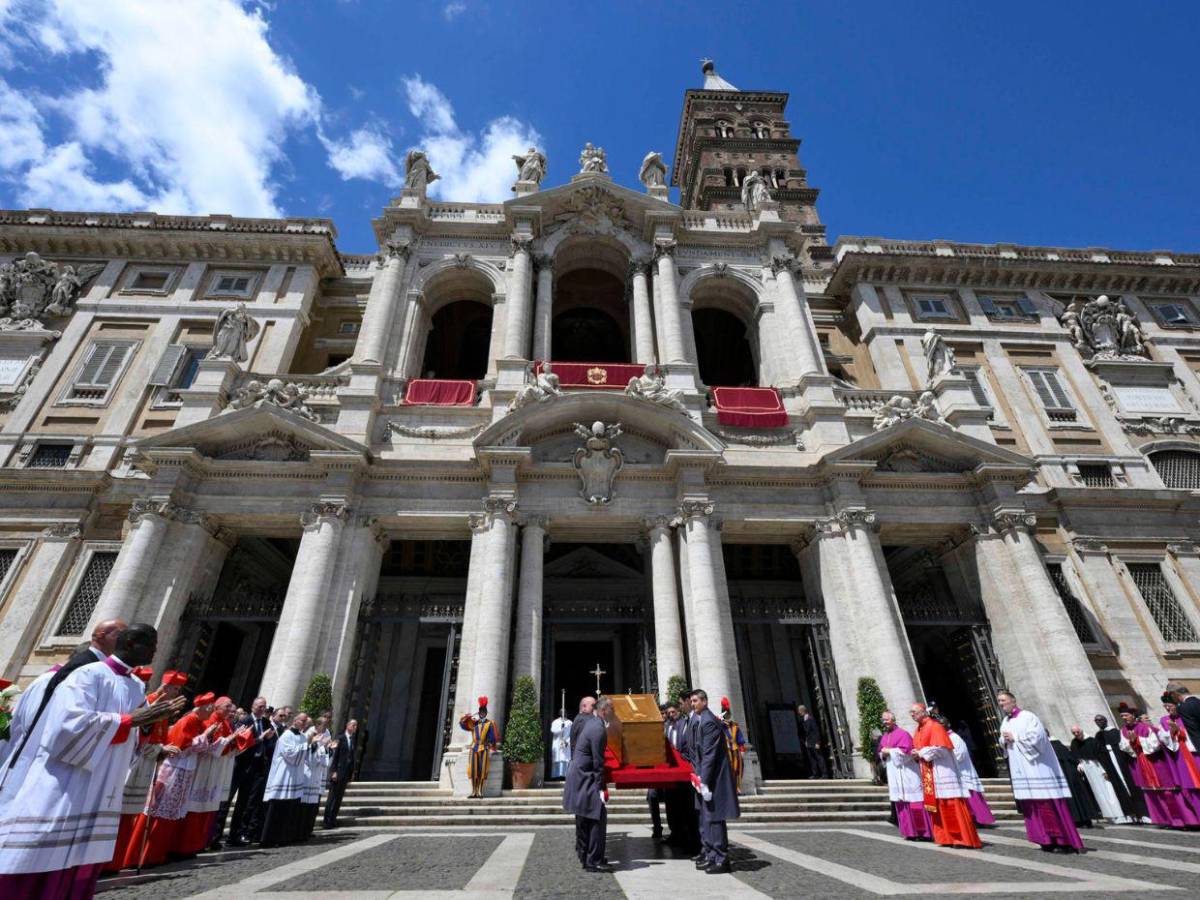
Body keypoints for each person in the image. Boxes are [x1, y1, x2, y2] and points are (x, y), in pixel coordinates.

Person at [0, 624, 184, 899]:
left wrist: (146, 734)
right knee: (42, 852)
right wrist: (131, 720)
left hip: (104, 784)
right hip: (68, 781)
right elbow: (65, 728)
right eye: (152, 645)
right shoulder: (87, 675)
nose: (156, 651)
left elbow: (131, 738)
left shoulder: (135, 685)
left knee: (83, 859)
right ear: (132, 643)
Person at [107, 669, 188, 872]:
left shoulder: (163, 706)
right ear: (166, 687)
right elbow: (140, 738)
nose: (177, 693)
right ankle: (110, 861)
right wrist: (161, 749)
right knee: (122, 812)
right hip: (134, 765)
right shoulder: (150, 705)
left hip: (147, 764)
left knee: (130, 813)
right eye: (175, 689)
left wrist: (161, 750)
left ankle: (119, 860)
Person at [126, 691, 219, 867]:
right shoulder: (188, 720)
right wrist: (205, 734)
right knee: (159, 811)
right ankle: (146, 856)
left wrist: (206, 735)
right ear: (202, 707)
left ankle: (158, 854)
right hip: (174, 770)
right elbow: (181, 746)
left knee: (171, 814)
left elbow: (197, 747)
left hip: (185, 770)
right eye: (210, 708)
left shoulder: (198, 721)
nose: (211, 712)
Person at [994, 691, 1083, 852]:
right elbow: (1003, 741)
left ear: (1013, 701)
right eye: (999, 701)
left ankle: (1062, 840)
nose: (1001, 704)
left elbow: (1039, 738)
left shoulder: (1028, 717)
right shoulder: (1005, 721)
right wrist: (1004, 740)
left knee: (1047, 804)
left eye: (1003, 700)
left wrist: (1015, 738)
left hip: (1037, 770)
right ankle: (1044, 839)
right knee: (1032, 806)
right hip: (1022, 771)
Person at [910, 702, 982, 849]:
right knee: (938, 806)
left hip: (943, 772)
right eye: (910, 712)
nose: (911, 714)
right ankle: (946, 837)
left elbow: (942, 748)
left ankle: (961, 838)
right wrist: (916, 754)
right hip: (930, 772)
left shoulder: (934, 726)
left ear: (923, 712)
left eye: (914, 712)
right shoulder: (918, 729)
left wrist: (921, 753)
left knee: (951, 805)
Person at [1118, 702, 1198, 828]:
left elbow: (1155, 745)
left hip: (1155, 762)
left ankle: (1183, 820)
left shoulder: (1144, 728)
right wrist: (1132, 743)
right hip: (1141, 762)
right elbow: (1124, 746)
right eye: (1122, 716)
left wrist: (1137, 741)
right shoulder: (1123, 731)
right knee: (1153, 794)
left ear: (1133, 715)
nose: (1124, 718)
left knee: (1168, 791)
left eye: (1126, 715)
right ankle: (1165, 820)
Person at [691, 690, 740, 874]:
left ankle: (721, 858)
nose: (693, 703)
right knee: (707, 817)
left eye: (696, 700)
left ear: (704, 701)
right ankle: (712, 855)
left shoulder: (709, 721)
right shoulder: (702, 719)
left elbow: (709, 754)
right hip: (706, 776)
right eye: (692, 701)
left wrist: (704, 779)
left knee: (714, 816)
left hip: (714, 778)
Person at [562, 695, 609, 872]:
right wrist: (601, 787)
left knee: (585, 817)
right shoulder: (595, 725)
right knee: (596, 816)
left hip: (580, 773)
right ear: (603, 710)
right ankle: (592, 860)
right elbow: (597, 760)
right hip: (585, 776)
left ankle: (586, 855)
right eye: (611, 710)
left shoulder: (588, 722)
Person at [226, 697, 277, 846]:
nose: (262, 709)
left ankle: (237, 835)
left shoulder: (266, 723)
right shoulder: (244, 721)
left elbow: (270, 744)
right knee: (227, 801)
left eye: (264, 707)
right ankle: (216, 837)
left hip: (257, 767)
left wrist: (267, 740)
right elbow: (241, 743)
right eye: (260, 706)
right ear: (253, 706)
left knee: (246, 803)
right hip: (241, 765)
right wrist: (260, 738)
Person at [260, 712, 313, 848]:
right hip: (284, 775)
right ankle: (268, 839)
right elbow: (290, 754)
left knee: (289, 808)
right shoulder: (286, 735)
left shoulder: (302, 737)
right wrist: (307, 746)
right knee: (277, 807)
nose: (304, 723)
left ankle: (284, 837)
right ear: (295, 721)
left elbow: (303, 755)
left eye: (305, 721)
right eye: (302, 720)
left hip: (295, 776)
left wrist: (308, 746)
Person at [877, 710, 932, 840]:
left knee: (915, 804)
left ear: (893, 719)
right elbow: (881, 752)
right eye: (883, 720)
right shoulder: (885, 736)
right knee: (901, 805)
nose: (884, 723)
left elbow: (908, 754)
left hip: (907, 774)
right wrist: (883, 754)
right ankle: (909, 832)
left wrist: (890, 751)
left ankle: (923, 832)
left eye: (887, 720)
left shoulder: (903, 734)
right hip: (894, 775)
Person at [1070, 725, 1132, 823]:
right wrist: (1079, 764)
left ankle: (1118, 815)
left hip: (1098, 767)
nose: (1076, 734)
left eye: (1077, 732)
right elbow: (1075, 756)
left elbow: (1102, 757)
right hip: (1088, 771)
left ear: (1081, 730)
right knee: (1098, 792)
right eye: (1074, 733)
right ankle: (1108, 816)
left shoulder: (1092, 741)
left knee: (1108, 790)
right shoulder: (1074, 743)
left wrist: (1105, 770)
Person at [1093, 713, 1149, 822]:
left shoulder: (1115, 731)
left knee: (1131, 784)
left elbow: (1123, 746)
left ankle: (1142, 813)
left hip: (1121, 761)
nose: (1098, 722)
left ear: (1105, 720)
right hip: (1110, 764)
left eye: (1100, 720)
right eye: (1096, 721)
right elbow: (1098, 752)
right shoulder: (1098, 736)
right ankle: (1129, 814)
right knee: (1118, 787)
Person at [943, 718, 994, 826]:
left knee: (972, 796)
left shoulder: (954, 738)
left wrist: (946, 759)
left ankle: (981, 819)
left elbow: (960, 755)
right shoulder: (946, 738)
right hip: (957, 773)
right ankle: (972, 819)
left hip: (964, 772)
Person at [1158, 693, 1200, 819]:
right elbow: (1163, 738)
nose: (1167, 709)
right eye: (1165, 706)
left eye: (1169, 705)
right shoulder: (1164, 720)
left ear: (1177, 704)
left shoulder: (1185, 715)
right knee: (1191, 789)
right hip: (1181, 757)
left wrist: (1180, 731)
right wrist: (1171, 731)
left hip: (1195, 754)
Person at [1049, 735, 1100, 829]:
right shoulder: (1062, 747)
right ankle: (1087, 819)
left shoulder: (1050, 748)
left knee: (1072, 800)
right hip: (1074, 777)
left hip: (1064, 778)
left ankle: (1077, 820)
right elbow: (1073, 758)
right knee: (1081, 797)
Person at [459, 696, 499, 799]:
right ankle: (473, 791)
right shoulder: (474, 723)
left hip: (484, 748)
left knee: (482, 770)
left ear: (486, 712)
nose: (482, 713)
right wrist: (470, 716)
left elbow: (493, 737)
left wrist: (489, 743)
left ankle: (480, 791)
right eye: (480, 711)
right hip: (474, 748)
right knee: (473, 770)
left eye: (484, 711)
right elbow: (463, 724)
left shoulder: (490, 724)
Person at [300, 715, 333, 839]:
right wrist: (322, 746)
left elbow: (324, 755)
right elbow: (309, 752)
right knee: (305, 804)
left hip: (318, 773)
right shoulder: (310, 734)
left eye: (327, 724)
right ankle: (301, 829)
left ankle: (308, 828)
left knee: (315, 804)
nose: (325, 727)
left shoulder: (327, 733)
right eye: (323, 724)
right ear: (317, 725)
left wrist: (328, 749)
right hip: (309, 773)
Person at [324, 719, 358, 828]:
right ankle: (327, 820)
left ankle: (333, 819)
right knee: (332, 797)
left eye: (356, 726)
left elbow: (351, 757)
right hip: (337, 772)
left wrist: (352, 771)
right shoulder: (340, 738)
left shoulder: (352, 739)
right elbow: (335, 756)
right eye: (353, 725)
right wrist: (333, 771)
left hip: (345, 773)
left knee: (339, 797)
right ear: (347, 725)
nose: (355, 727)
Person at [720, 697, 747, 794]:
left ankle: (736, 788)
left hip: (735, 751)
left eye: (728, 713)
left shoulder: (735, 726)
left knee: (737, 770)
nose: (727, 715)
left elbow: (740, 740)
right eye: (725, 713)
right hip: (725, 752)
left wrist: (742, 750)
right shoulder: (720, 725)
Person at [1167, 682, 1200, 753]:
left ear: (1174, 694)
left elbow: (1193, 730)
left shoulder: (1182, 707)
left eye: (1171, 696)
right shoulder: (1198, 701)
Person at [796, 704, 827, 778]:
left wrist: (817, 742)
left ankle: (824, 774)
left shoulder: (810, 719)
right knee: (812, 759)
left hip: (814, 742)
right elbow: (805, 732)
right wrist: (805, 741)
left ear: (802, 711)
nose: (798, 713)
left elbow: (816, 731)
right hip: (808, 742)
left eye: (799, 711)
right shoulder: (803, 720)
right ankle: (815, 774)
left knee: (819, 758)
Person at [549, 706, 572, 780]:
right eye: (562, 712)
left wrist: (567, 742)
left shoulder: (569, 722)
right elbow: (553, 730)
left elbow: (572, 734)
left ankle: (566, 775)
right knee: (558, 758)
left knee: (565, 758)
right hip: (557, 743)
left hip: (566, 743)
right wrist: (560, 728)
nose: (563, 713)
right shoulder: (555, 722)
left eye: (564, 712)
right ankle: (557, 776)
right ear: (559, 713)